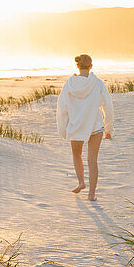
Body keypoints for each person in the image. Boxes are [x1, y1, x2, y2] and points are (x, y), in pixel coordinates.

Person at [56, 54, 114, 201]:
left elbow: (61, 108)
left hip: (76, 126)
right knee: (92, 160)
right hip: (95, 125)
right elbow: (108, 106)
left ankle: (81, 182)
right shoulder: (98, 83)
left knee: (77, 155)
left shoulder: (69, 84)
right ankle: (92, 194)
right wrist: (108, 128)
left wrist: (63, 129)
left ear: (78, 66)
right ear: (91, 66)